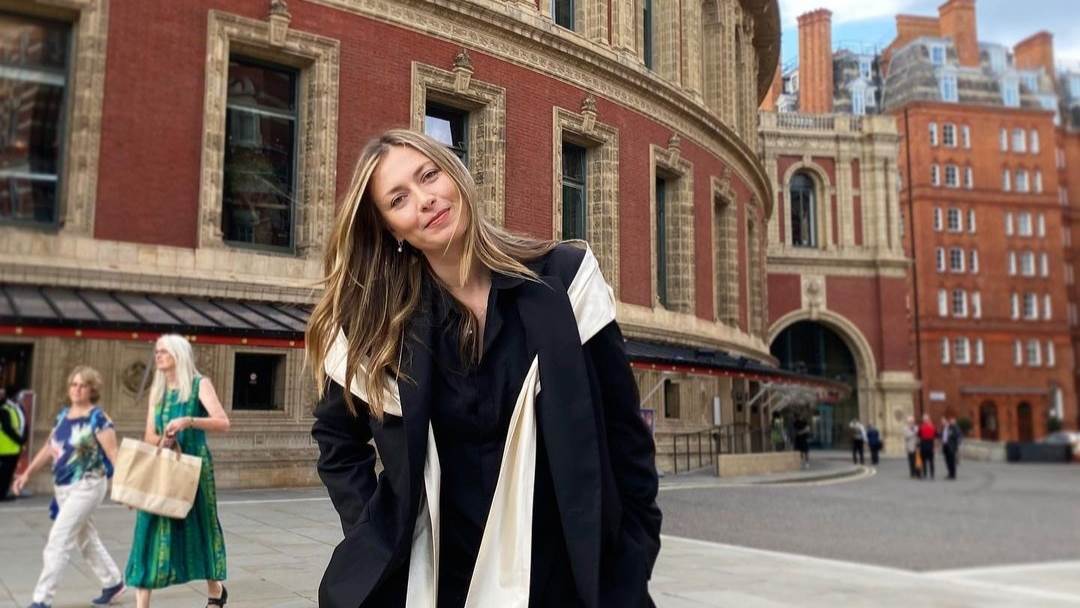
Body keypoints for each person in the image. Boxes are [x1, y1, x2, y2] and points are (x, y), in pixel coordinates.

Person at [306, 129, 662, 608]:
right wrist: (375, 532)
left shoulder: (566, 282)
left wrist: (634, 552)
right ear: (391, 229)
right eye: (398, 199)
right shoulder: (375, 330)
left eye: (429, 175)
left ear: (455, 174)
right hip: (439, 584)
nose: (425, 200)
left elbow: (626, 433)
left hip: (561, 579)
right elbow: (336, 439)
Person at [124, 334, 231, 608]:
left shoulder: (199, 384)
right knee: (147, 530)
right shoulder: (157, 392)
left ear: (178, 354)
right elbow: (149, 435)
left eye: (164, 351)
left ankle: (216, 590)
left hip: (194, 468)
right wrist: (165, 439)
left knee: (201, 527)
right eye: (157, 352)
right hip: (163, 467)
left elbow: (222, 422)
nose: (158, 356)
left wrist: (188, 421)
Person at [11, 367, 125, 608]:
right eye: (74, 384)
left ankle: (42, 599)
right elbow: (49, 447)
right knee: (85, 538)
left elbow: (113, 454)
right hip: (63, 487)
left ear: (92, 389)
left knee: (59, 539)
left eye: (83, 385)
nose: (77, 389)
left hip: (89, 485)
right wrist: (27, 474)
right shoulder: (63, 415)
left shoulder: (99, 418)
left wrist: (124, 488)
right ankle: (113, 582)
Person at [0, 387, 26, 500]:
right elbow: (7, 428)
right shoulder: (4, 409)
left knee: (8, 473)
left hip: (13, 447)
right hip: (5, 447)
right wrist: (20, 440)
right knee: (4, 473)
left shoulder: (15, 408)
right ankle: (1, 494)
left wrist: (22, 440)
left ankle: (4, 492)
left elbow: (22, 424)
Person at [918, 414, 936, 480]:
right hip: (930, 445)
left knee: (924, 461)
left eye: (925, 419)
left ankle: (926, 474)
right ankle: (932, 474)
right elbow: (935, 435)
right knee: (930, 461)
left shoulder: (921, 427)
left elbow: (919, 434)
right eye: (924, 419)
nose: (925, 420)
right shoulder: (932, 426)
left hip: (924, 445)